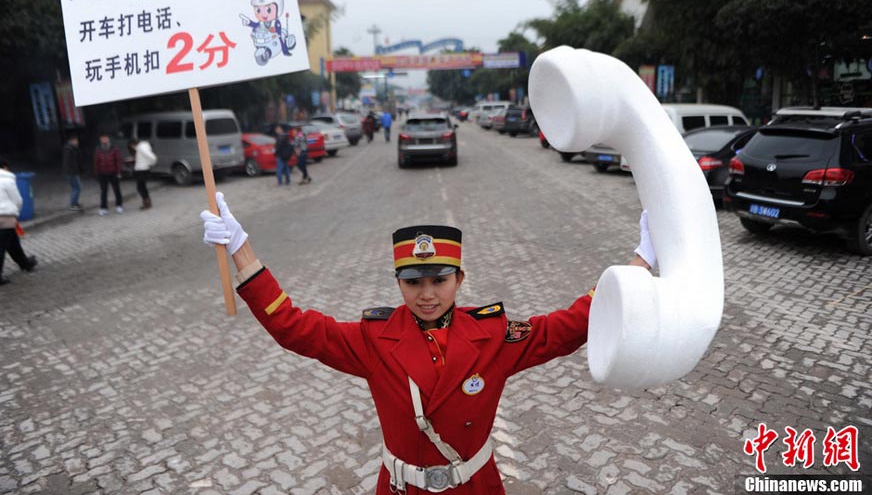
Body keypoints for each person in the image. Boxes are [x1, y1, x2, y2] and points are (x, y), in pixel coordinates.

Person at [200, 194, 655, 493]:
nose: (427, 295)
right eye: (412, 282)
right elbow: (296, 329)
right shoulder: (375, 339)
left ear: (460, 279)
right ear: (398, 283)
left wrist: (638, 265)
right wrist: (243, 251)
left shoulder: (493, 335)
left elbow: (566, 328)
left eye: (439, 280)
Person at [0, 160, 37, 285]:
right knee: (3, 246)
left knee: (12, 242)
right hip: (5, 216)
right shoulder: (7, 180)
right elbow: (17, 200)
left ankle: (25, 263)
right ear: (4, 167)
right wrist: (16, 213)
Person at [93, 133, 123, 215]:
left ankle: (119, 206)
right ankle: (103, 208)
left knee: (117, 190)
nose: (104, 140)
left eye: (106, 138)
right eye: (102, 139)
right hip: (102, 173)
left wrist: (119, 172)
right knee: (103, 191)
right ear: (100, 140)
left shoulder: (114, 148)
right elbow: (96, 162)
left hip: (113, 172)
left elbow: (118, 161)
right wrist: (96, 173)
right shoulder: (98, 149)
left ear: (108, 139)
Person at [128, 138, 157, 210]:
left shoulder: (141, 148)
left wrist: (149, 164)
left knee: (140, 187)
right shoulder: (141, 148)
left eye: (131, 146)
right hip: (141, 170)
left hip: (142, 170)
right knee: (142, 187)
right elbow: (143, 158)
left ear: (133, 144)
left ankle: (147, 203)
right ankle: (147, 203)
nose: (132, 148)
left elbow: (153, 157)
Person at [62, 133, 85, 212]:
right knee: (77, 188)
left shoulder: (72, 148)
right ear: (71, 141)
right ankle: (73, 204)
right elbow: (67, 162)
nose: (77, 142)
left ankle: (75, 203)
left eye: (77, 140)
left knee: (76, 187)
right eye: (75, 141)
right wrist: (71, 172)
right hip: (71, 173)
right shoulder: (69, 149)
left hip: (73, 172)